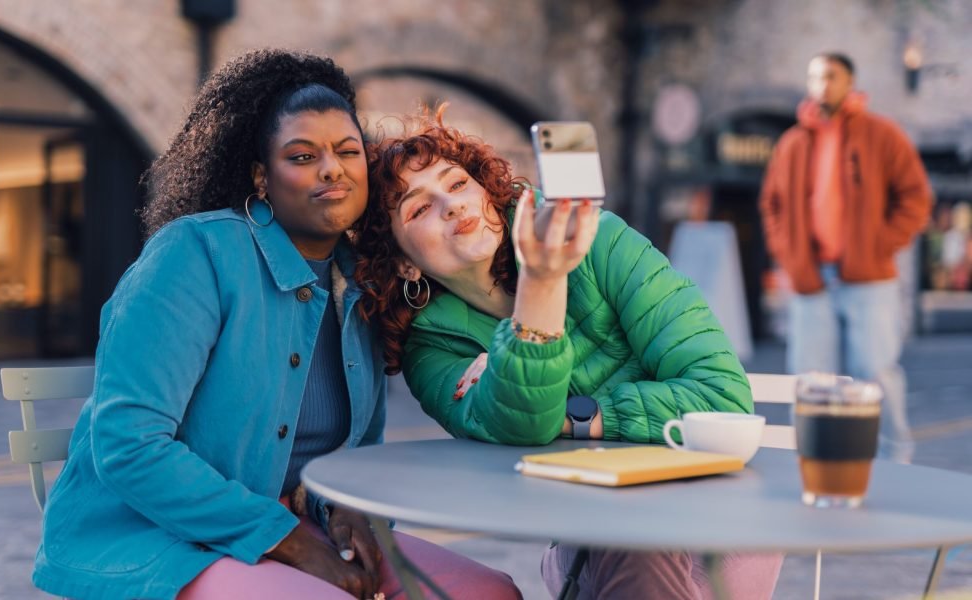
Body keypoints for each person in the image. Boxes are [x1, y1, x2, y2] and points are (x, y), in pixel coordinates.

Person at [32, 50, 521, 600]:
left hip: (287, 529)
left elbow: (356, 447)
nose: (331, 168)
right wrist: (289, 539)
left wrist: (343, 511)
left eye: (347, 151)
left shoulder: (361, 283)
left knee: (486, 591)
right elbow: (129, 446)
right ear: (263, 177)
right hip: (153, 538)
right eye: (303, 155)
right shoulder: (194, 256)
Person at [353, 108, 782, 599]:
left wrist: (577, 417)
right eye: (418, 208)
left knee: (632, 529)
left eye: (456, 183)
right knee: (627, 530)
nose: (449, 205)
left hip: (717, 524)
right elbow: (524, 424)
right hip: (594, 539)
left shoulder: (601, 241)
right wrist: (543, 282)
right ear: (404, 264)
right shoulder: (431, 348)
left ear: (487, 193)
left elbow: (722, 397)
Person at [759, 52, 933, 463]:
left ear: (849, 82)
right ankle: (808, 460)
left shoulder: (882, 135)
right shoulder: (792, 143)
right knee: (808, 380)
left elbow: (916, 197)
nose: (821, 85)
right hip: (811, 278)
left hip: (869, 279)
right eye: (815, 76)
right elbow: (772, 205)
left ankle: (895, 461)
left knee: (877, 374)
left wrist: (880, 244)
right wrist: (790, 256)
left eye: (831, 77)